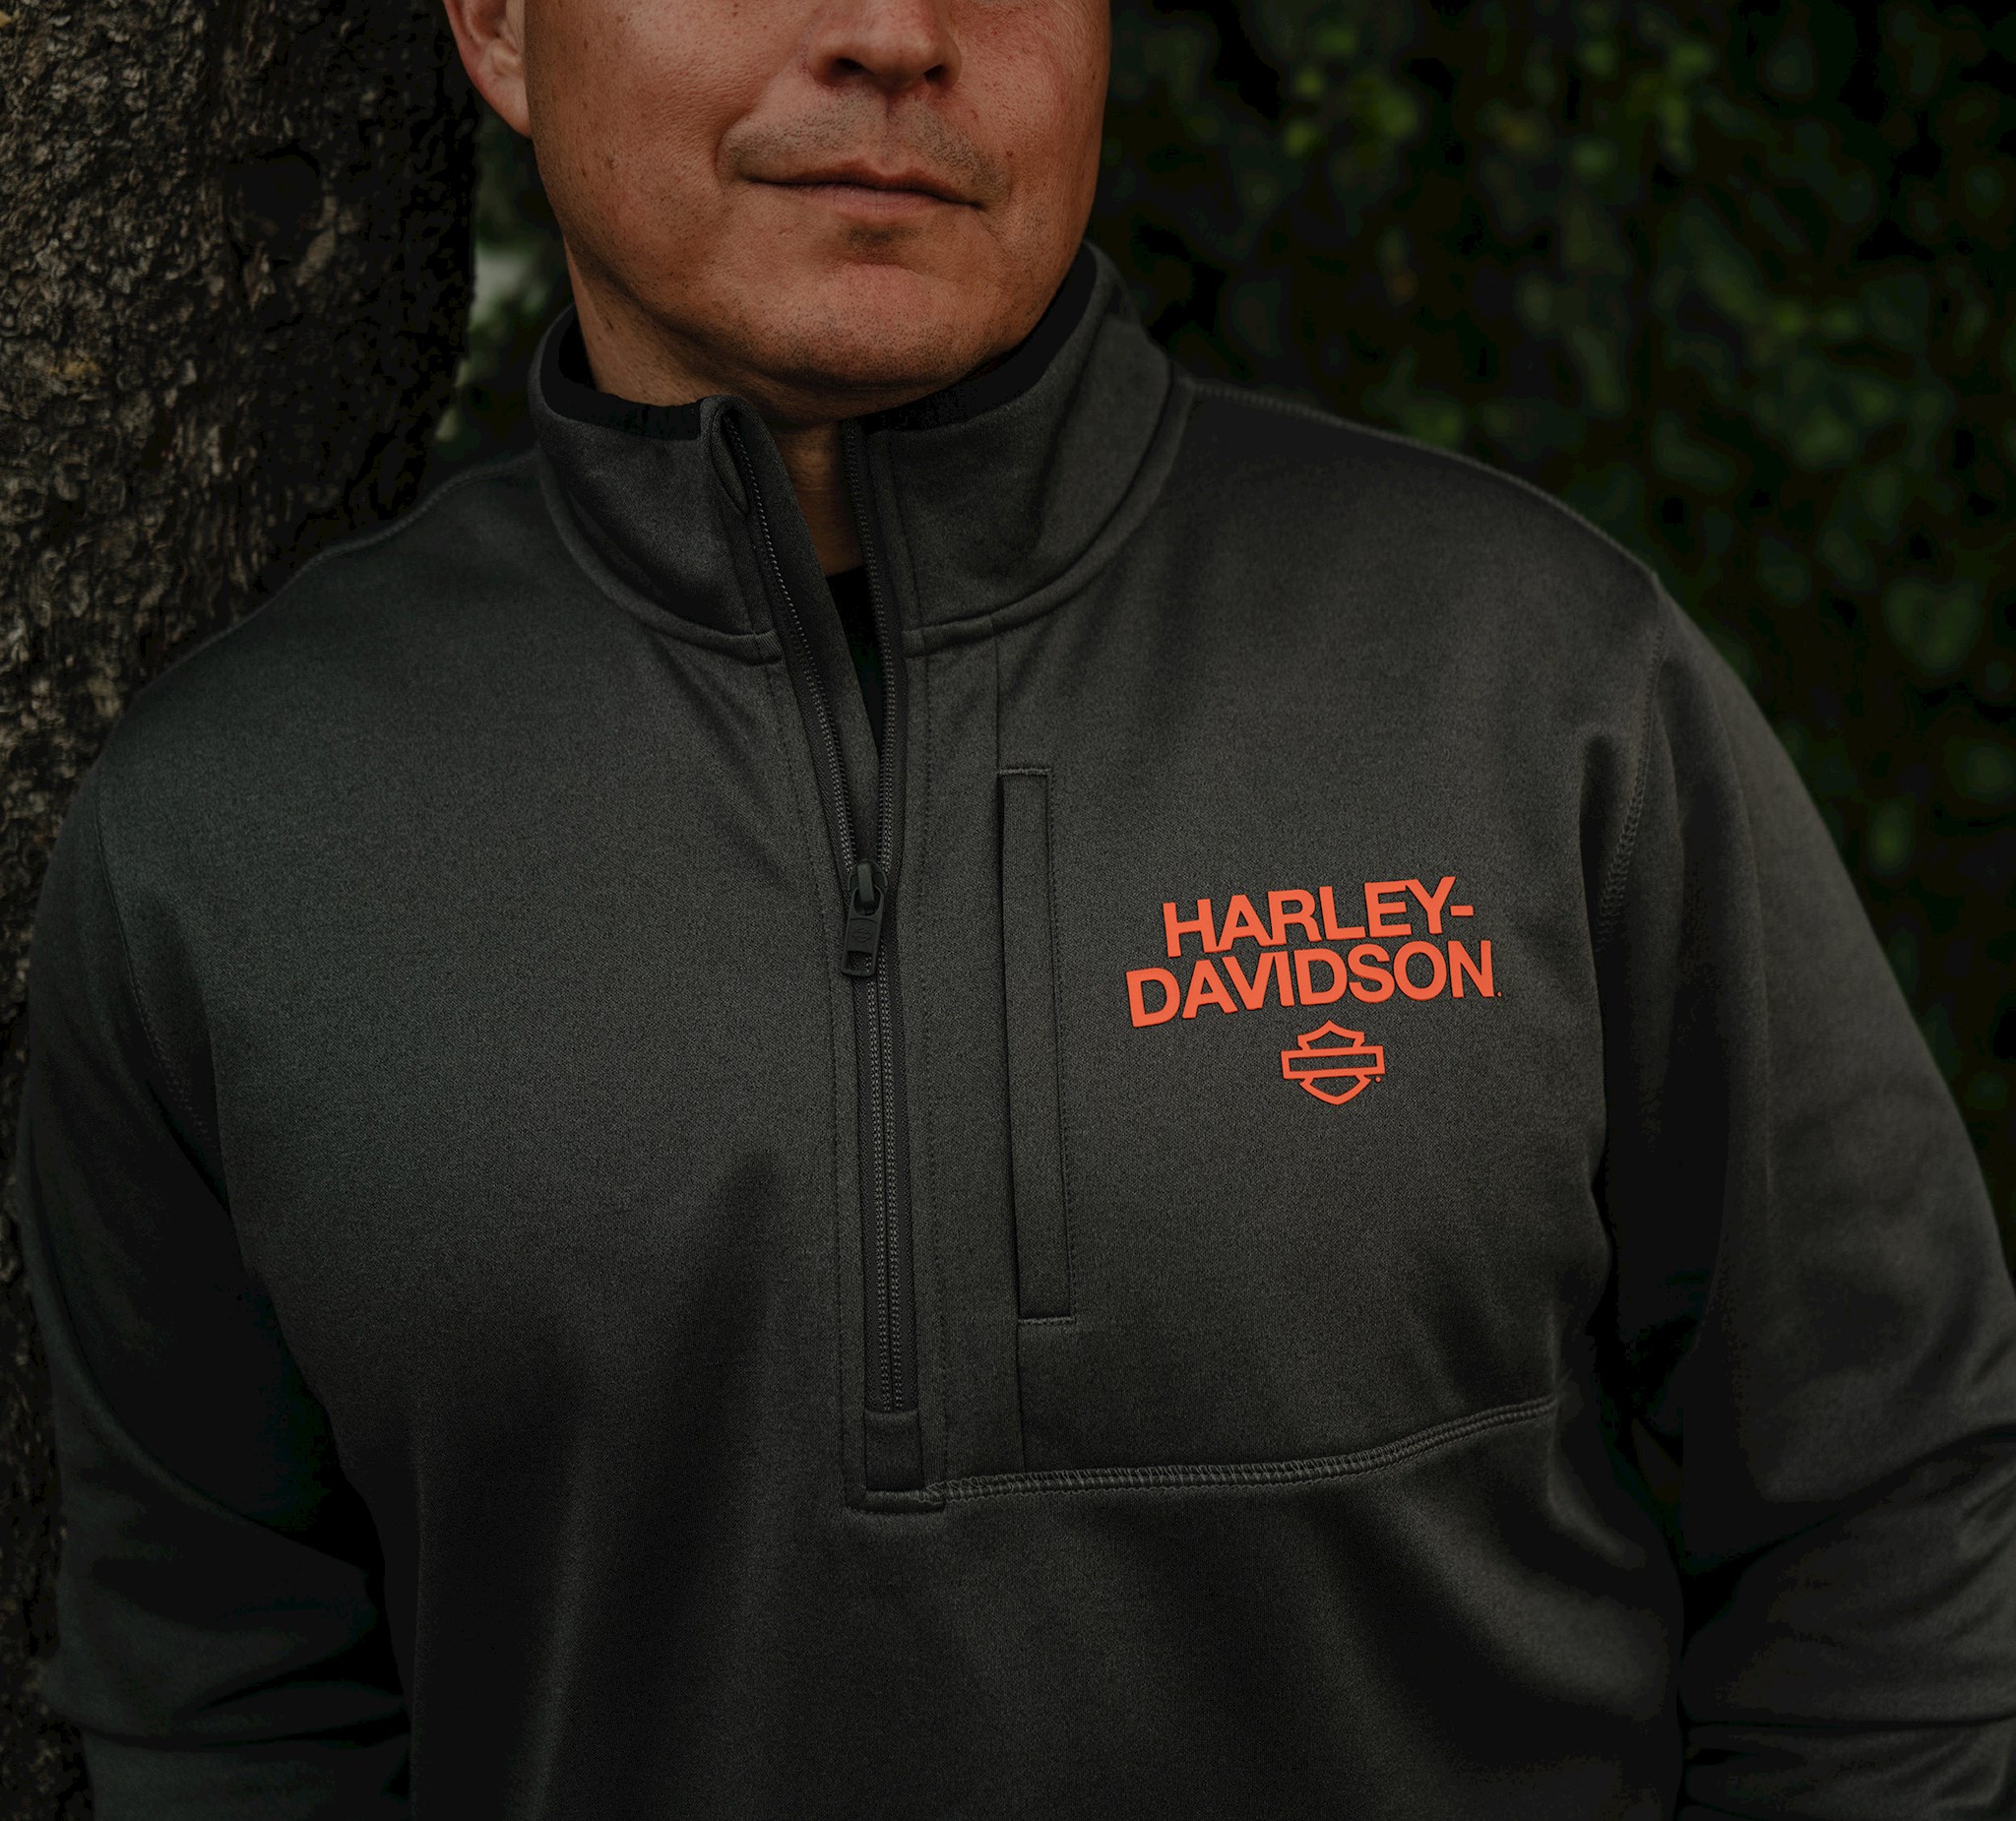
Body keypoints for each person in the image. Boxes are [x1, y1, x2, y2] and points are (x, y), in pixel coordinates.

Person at [15, 0, 2016, 1809]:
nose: (894, 32)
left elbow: (1892, 1494)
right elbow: (229, 1694)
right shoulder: (236, 837)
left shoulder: (1533, 682)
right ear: (500, 29)